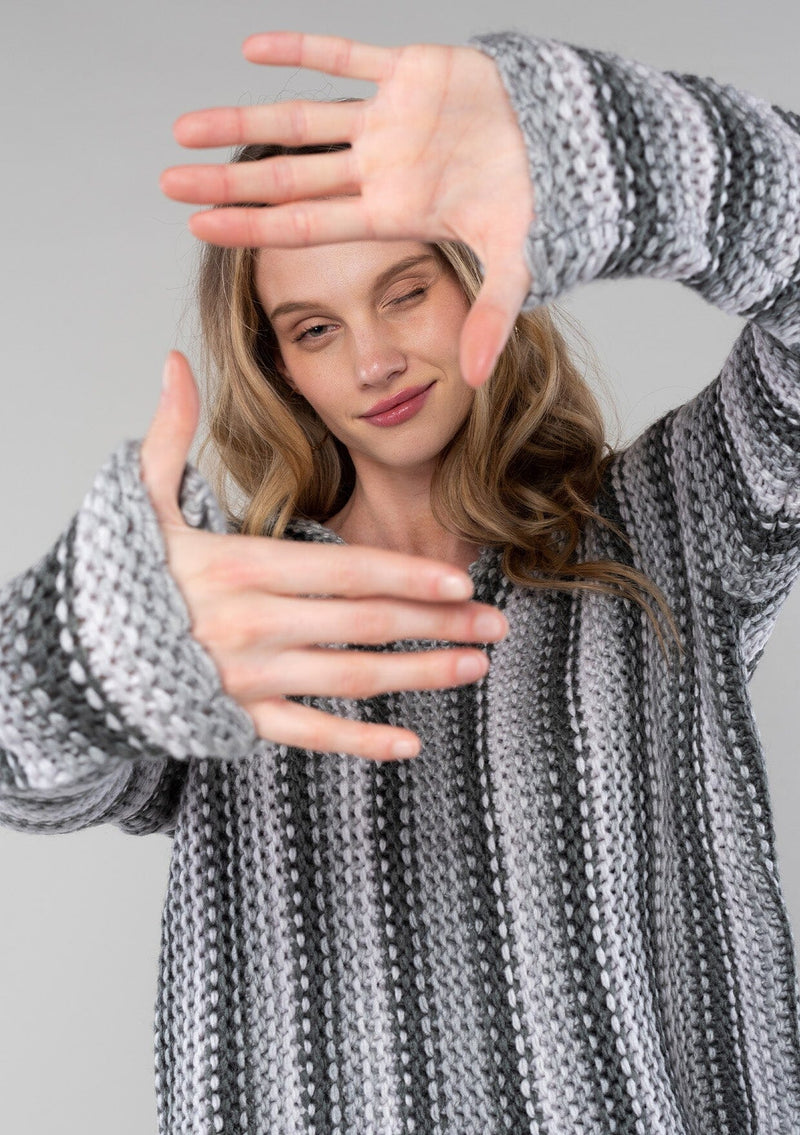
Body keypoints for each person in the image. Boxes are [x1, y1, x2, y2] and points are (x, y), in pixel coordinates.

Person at [1, 26, 799, 1135]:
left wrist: (607, 157)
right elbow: (17, 768)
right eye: (315, 327)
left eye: (403, 289)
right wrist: (98, 637)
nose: (371, 359)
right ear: (282, 366)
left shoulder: (673, 521)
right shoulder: (232, 612)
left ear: (478, 274)